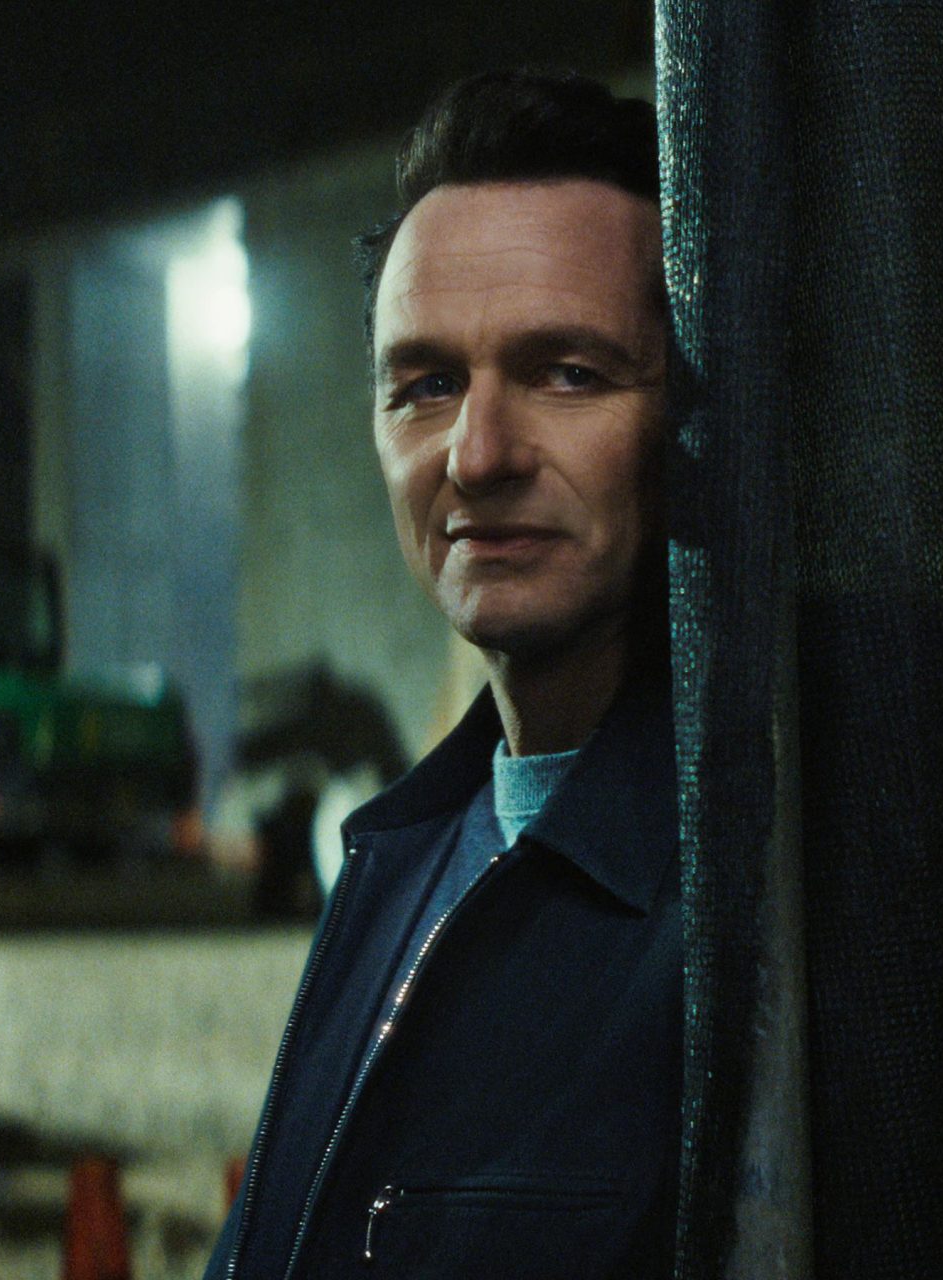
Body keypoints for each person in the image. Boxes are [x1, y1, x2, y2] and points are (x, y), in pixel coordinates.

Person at [207, 69, 678, 1279]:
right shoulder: (394, 860)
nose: (476, 455)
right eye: (425, 385)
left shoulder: (763, 902)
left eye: (566, 372)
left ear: (687, 413)